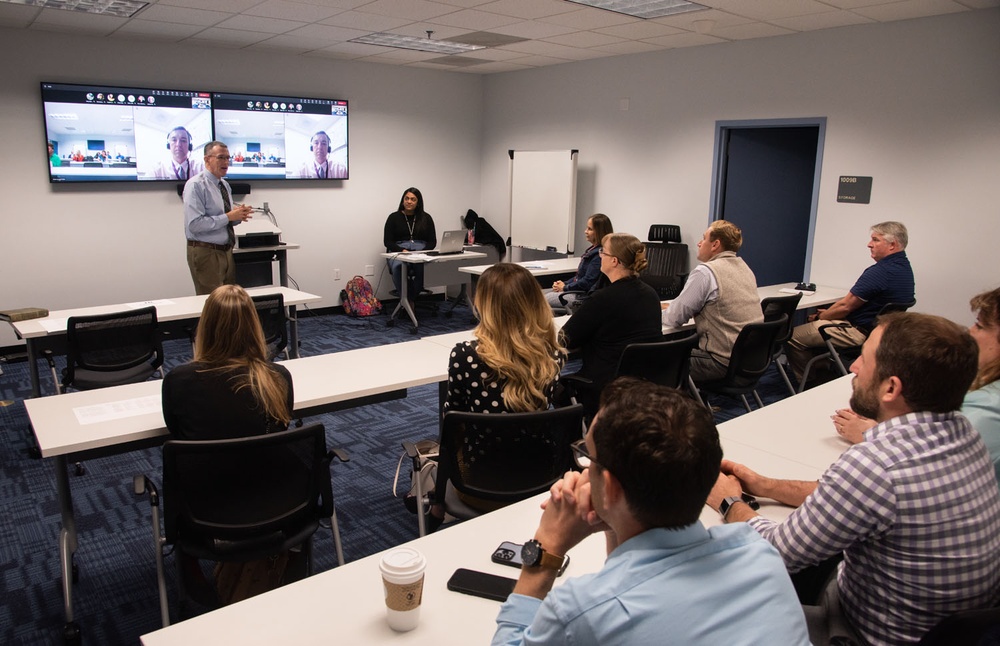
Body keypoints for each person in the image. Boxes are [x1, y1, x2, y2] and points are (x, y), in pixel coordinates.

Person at [707, 312, 1000, 646]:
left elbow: (775, 552)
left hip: (859, 631)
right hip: (936, 626)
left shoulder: (875, 466)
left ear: (891, 388)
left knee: (717, 608)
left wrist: (729, 501)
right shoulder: (965, 433)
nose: (853, 367)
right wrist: (767, 486)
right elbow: (854, 500)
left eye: (865, 358)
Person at [492, 377, 811, 646]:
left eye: (590, 458)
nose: (586, 471)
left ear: (613, 486)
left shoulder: (583, 609)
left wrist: (547, 547)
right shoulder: (761, 553)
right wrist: (615, 516)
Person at [424, 264, 569, 528]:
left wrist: (437, 497)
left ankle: (435, 508)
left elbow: (451, 431)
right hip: (542, 478)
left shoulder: (465, 355)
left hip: (478, 484)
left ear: (485, 305)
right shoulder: (552, 353)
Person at [832, 286, 1000, 483]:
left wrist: (870, 434)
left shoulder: (988, 407)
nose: (970, 332)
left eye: (979, 326)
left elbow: (925, 467)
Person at [162, 284, 293, 440]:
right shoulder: (277, 377)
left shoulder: (178, 380)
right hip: (263, 463)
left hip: (204, 463)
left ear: (205, 326)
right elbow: (282, 426)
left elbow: (177, 432)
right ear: (254, 325)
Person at [787, 221, 914, 381]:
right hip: (878, 332)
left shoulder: (880, 272)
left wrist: (821, 317)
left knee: (792, 337)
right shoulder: (905, 270)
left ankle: (811, 383)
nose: (869, 244)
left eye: (875, 240)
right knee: (814, 329)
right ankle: (824, 373)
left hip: (858, 332)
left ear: (892, 245)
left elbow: (845, 306)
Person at [560, 233, 662, 418]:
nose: (599, 256)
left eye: (602, 252)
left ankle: (576, 443)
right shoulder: (651, 294)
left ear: (614, 261)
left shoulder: (603, 299)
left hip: (603, 383)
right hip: (642, 382)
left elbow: (565, 337)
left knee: (558, 390)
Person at [661, 220, 762, 382]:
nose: (699, 243)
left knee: (654, 359)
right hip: (750, 359)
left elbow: (675, 318)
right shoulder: (745, 268)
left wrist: (657, 313)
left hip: (720, 362)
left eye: (704, 238)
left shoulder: (706, 272)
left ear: (715, 244)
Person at [182, 141, 253, 295]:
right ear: (207, 159)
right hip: (205, 251)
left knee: (229, 301)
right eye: (221, 158)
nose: (226, 162)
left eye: (228, 158)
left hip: (225, 250)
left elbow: (224, 219)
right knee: (212, 302)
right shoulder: (195, 185)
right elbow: (195, 224)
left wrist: (238, 215)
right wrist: (228, 217)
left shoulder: (224, 185)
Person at [544, 213, 613, 312]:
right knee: (542, 297)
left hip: (581, 295)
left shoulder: (599, 255)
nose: (585, 231)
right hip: (575, 291)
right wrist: (564, 283)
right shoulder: (593, 250)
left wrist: (565, 287)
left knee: (541, 301)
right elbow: (579, 277)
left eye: (590, 229)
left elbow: (587, 282)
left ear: (599, 232)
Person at [383, 187, 436, 299]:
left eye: (413, 199)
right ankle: (406, 300)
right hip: (399, 250)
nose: (409, 201)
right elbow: (387, 241)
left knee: (421, 268)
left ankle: (411, 299)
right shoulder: (393, 217)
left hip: (420, 250)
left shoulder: (426, 218)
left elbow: (432, 241)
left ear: (418, 202)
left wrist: (422, 252)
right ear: (403, 200)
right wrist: (402, 250)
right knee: (398, 267)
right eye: (406, 198)